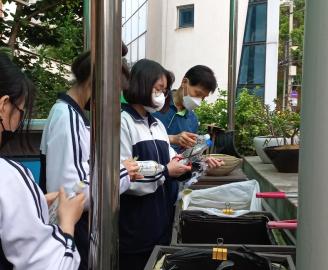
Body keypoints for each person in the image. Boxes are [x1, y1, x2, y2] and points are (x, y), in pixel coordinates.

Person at [39, 50, 140, 270]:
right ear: (96, 83)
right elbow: (72, 195)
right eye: (115, 92)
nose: (114, 101)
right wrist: (122, 173)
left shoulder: (67, 113)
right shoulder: (69, 119)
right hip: (71, 235)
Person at [0, 52, 85, 269]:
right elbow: (54, 264)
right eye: (21, 111)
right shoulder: (9, 177)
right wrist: (67, 224)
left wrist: (33, 202)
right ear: (4, 105)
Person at [120, 59, 192, 270]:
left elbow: (172, 160)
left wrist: (194, 162)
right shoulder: (123, 122)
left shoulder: (157, 124)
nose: (162, 95)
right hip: (133, 228)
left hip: (159, 223)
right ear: (141, 84)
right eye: (158, 89)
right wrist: (166, 172)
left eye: (164, 90)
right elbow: (125, 174)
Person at [154, 65, 218, 152]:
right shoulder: (155, 104)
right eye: (197, 93)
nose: (198, 101)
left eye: (203, 97)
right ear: (184, 82)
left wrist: (202, 159)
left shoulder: (193, 120)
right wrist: (172, 139)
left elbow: (186, 155)